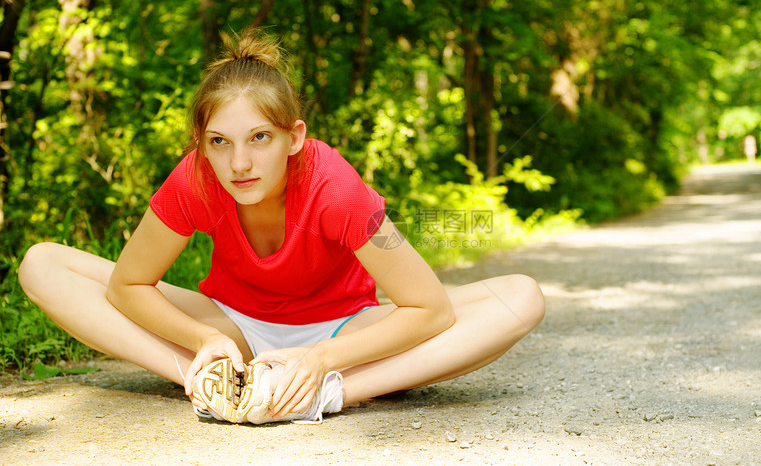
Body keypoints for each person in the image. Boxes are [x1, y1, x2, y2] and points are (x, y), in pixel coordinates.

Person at [17, 30, 545, 424]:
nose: (239, 162)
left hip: (340, 331)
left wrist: (319, 360)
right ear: (202, 144)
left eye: (259, 138)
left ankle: (322, 393)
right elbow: (126, 285)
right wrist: (203, 340)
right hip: (233, 326)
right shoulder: (196, 179)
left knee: (521, 297)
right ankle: (212, 384)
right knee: (42, 262)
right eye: (219, 141)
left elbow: (430, 308)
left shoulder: (338, 187)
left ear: (294, 137)